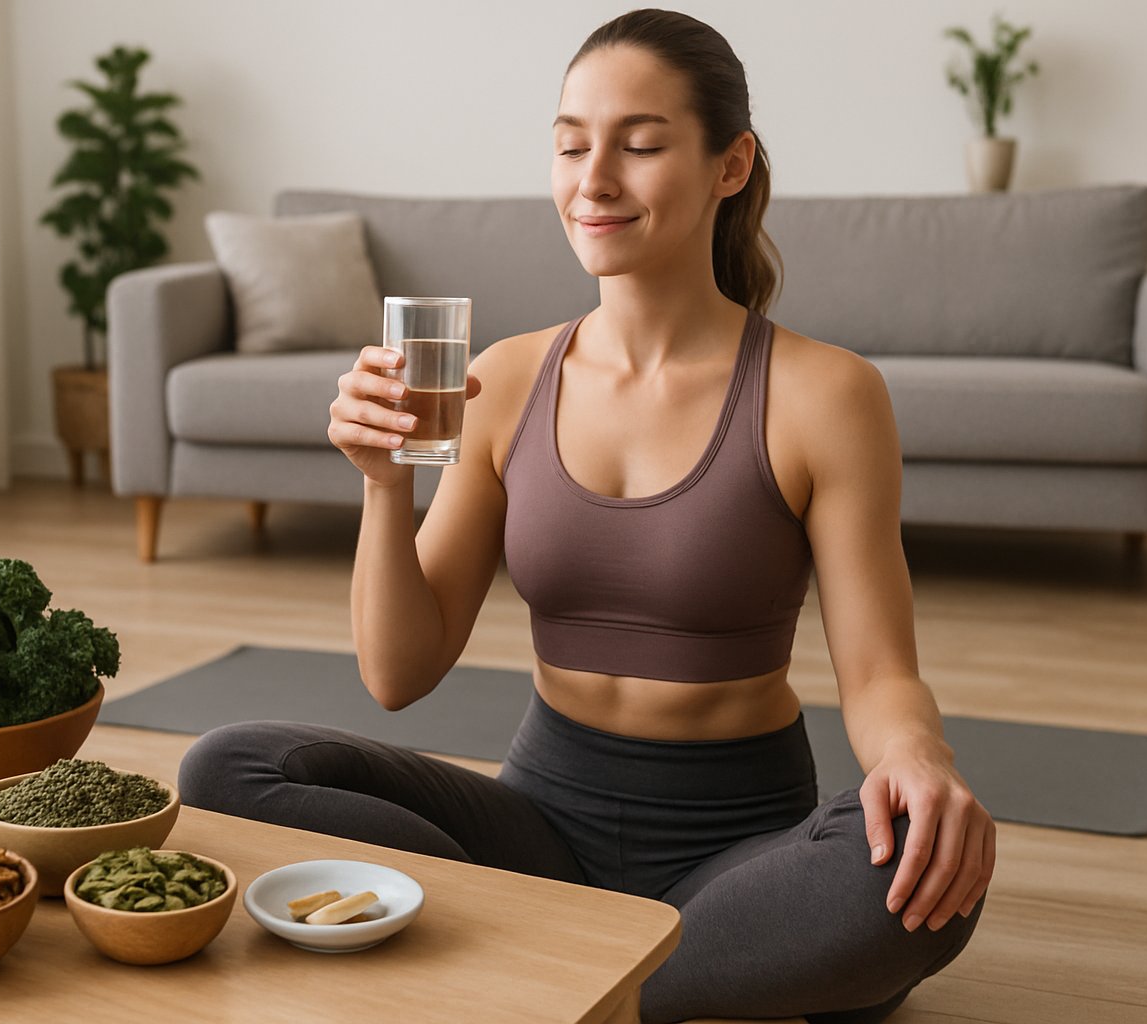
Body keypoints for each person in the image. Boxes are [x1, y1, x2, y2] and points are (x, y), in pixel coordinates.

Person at [179, 9, 993, 1022]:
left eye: (640, 144)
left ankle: (535, 972)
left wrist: (920, 758)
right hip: (539, 832)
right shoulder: (506, 379)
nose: (593, 179)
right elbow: (399, 673)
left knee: (918, 875)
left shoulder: (825, 394)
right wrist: (383, 484)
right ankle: (646, 981)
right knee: (230, 764)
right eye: (570, 145)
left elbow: (879, 674)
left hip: (738, 849)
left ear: (728, 164)